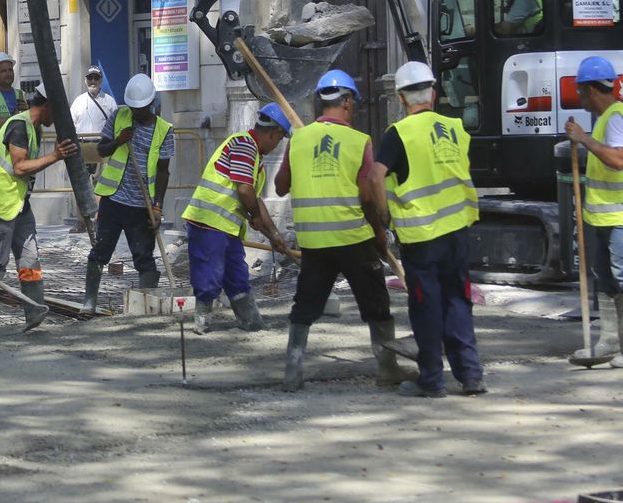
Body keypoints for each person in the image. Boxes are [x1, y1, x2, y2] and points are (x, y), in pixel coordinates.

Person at [275, 69, 408, 392]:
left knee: (305, 306)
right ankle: (387, 368)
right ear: (347, 102)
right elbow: (366, 196)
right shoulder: (358, 141)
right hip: (353, 238)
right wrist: (380, 232)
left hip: (313, 241)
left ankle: (292, 372)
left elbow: (280, 186)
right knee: (376, 303)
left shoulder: (298, 138)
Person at [371, 61, 485, 397]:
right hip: (457, 229)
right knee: (459, 301)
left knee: (427, 306)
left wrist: (383, 216)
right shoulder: (455, 127)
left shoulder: (400, 133)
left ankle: (432, 380)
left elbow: (376, 176)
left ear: (401, 98)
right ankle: (471, 376)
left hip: (422, 236)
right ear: (433, 94)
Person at [565, 55, 623, 368]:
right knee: (605, 279)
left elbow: (617, 160)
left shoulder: (617, 118)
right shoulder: (607, 118)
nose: (579, 97)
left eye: (580, 91)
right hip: (607, 216)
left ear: (590, 90)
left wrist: (583, 139)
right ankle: (609, 341)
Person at [180, 103, 293, 333]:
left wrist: (274, 234)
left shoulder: (254, 155)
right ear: (273, 134)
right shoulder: (245, 145)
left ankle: (251, 321)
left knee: (236, 273)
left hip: (226, 226)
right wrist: (257, 218)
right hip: (209, 222)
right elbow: (244, 190)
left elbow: (255, 199)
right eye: (279, 139)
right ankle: (202, 320)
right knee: (209, 272)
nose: (277, 146)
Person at [0, 83, 78, 328]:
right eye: (58, 111)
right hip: (1, 203)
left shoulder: (33, 128)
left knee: (30, 260)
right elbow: (20, 167)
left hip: (19, 202)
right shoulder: (19, 126)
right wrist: (54, 156)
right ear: (47, 105)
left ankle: (35, 315)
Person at [79, 74, 174, 315]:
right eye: (132, 107)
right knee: (100, 251)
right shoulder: (119, 116)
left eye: (139, 109)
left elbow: (163, 172)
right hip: (113, 200)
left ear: (150, 104)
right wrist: (119, 141)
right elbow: (102, 149)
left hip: (142, 206)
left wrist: (158, 207)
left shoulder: (164, 130)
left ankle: (144, 308)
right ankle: (89, 303)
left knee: (144, 257)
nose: (135, 112)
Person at [69, 64, 117, 135]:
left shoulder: (110, 101)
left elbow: (115, 125)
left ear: (101, 80)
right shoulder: (78, 101)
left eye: (96, 78)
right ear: (85, 80)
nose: (93, 81)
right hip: (82, 141)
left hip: (102, 141)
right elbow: (70, 125)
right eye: (90, 78)